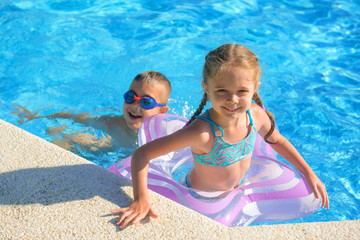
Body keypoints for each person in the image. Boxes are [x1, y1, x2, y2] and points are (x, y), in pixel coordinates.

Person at [111, 44, 330, 228]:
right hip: (196, 196)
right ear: (207, 89)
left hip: (238, 189)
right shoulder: (203, 133)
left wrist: (309, 172)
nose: (232, 100)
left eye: (242, 91)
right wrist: (141, 199)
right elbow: (142, 155)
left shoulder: (255, 115)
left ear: (255, 88)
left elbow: (277, 140)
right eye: (222, 91)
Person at [10, 71, 171, 156]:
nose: (135, 105)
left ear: (162, 111)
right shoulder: (114, 123)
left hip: (133, 159)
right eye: (130, 97)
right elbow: (77, 117)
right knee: (55, 133)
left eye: (146, 102)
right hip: (112, 150)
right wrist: (35, 116)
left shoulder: (165, 135)